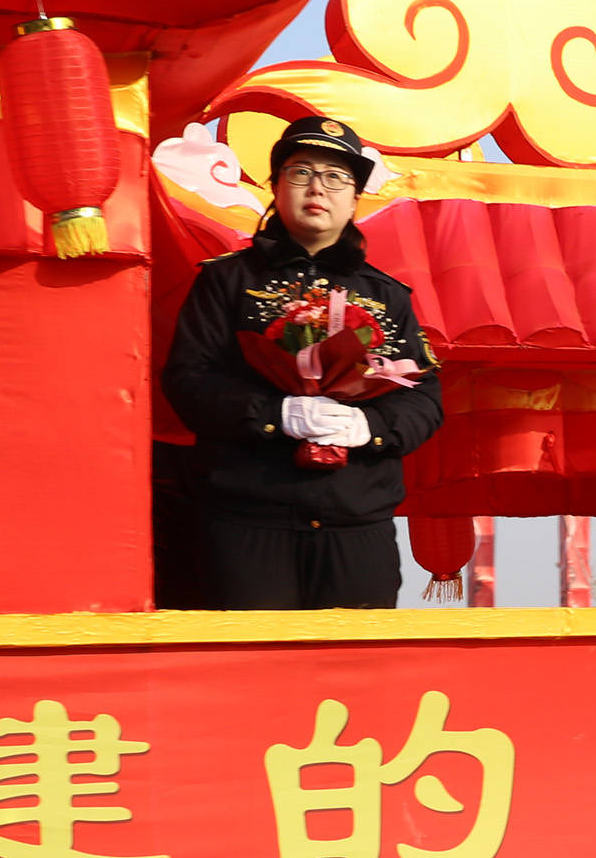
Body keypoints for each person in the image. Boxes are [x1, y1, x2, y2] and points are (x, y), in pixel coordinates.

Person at [158, 115, 445, 609]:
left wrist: (368, 425)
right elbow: (188, 381)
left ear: (355, 198)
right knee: (249, 670)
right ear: (275, 185)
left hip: (356, 526)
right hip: (247, 522)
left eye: (337, 177)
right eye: (301, 171)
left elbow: (425, 401)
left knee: (357, 675)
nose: (318, 187)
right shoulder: (225, 282)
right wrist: (275, 416)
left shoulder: (388, 295)